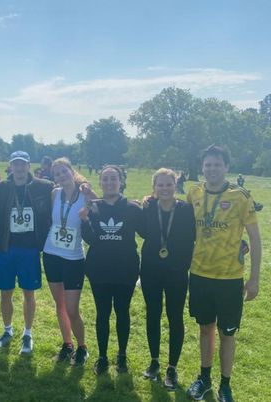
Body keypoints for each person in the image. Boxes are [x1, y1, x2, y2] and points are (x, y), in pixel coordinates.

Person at [185, 145, 261, 402]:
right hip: (199, 274)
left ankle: (225, 385)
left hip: (230, 278)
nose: (212, 169)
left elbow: (255, 239)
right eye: (208, 164)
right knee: (206, 328)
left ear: (227, 167)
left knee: (227, 333)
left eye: (217, 164)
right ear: (202, 167)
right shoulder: (193, 193)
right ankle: (204, 379)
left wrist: (253, 279)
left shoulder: (240, 196)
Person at [78, 165, 145, 375]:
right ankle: (103, 356)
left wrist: (150, 205)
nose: (109, 182)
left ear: (121, 181)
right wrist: (84, 221)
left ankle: (122, 355)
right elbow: (90, 239)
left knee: (122, 312)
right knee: (102, 313)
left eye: (113, 178)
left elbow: (146, 232)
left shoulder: (133, 208)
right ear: (99, 183)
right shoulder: (93, 206)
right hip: (99, 269)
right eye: (105, 179)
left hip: (126, 269)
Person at [0, 151, 54, 354]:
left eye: (22, 164)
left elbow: (68, 189)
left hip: (30, 249)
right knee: (5, 292)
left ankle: (28, 334)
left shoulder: (45, 187)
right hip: (6, 248)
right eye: (15, 164)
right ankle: (8, 331)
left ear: (28, 166)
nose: (19, 168)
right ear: (10, 166)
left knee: (28, 292)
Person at [140, 168, 195, 390]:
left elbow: (194, 237)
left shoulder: (185, 210)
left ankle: (172, 368)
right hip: (151, 270)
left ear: (175, 185)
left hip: (176, 272)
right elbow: (142, 232)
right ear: (154, 187)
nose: (164, 189)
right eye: (160, 185)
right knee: (152, 313)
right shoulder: (148, 207)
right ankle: (154, 361)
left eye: (168, 184)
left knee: (175, 317)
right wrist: (142, 202)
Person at [43, 158, 97, 366]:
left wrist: (89, 190)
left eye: (64, 172)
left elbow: (101, 209)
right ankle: (67, 344)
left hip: (74, 258)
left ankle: (82, 347)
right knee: (60, 305)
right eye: (57, 174)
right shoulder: (55, 194)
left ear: (72, 171)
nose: (61, 176)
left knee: (72, 309)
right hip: (51, 254)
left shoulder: (86, 194)